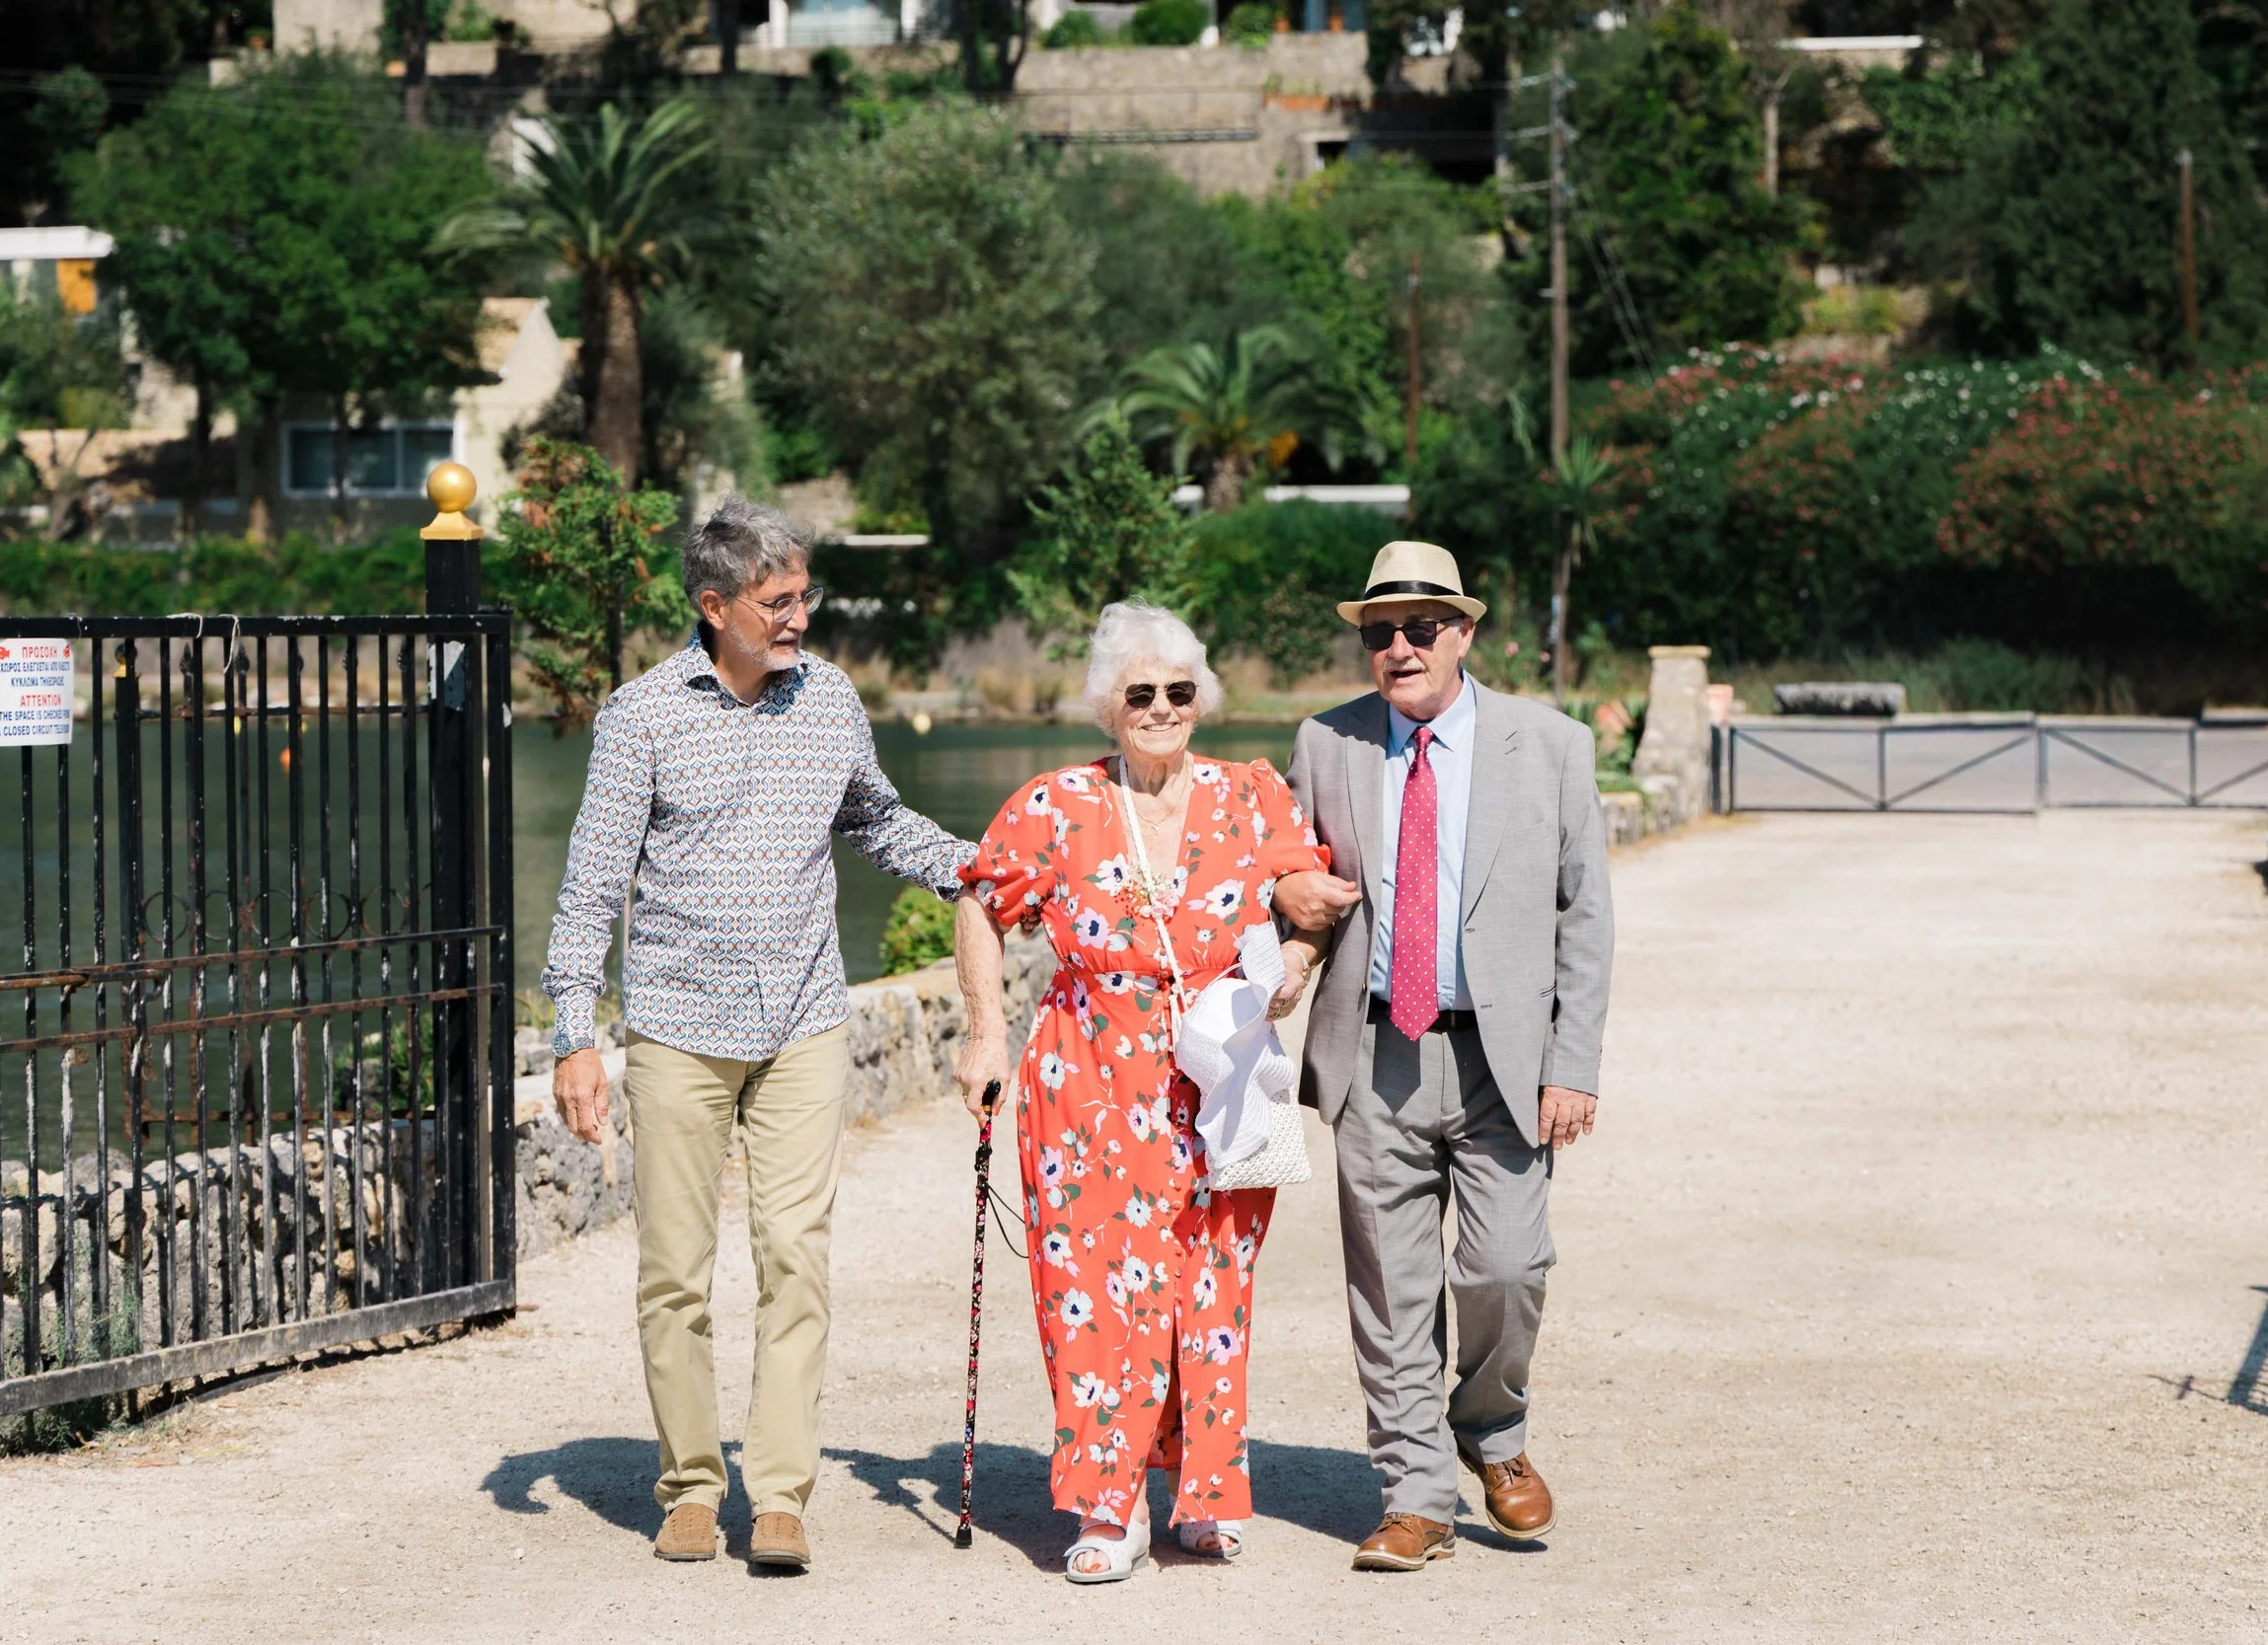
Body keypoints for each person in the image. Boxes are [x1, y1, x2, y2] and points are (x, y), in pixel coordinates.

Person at [542, 495, 973, 1571]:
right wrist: (572, 1033)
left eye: (803, 595)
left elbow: (875, 817)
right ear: (714, 605)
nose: (798, 618)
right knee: (674, 1272)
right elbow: (591, 884)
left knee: (796, 1260)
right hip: (680, 1030)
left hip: (801, 1023)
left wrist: (985, 864)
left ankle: (778, 1492)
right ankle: (692, 1484)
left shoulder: (827, 699)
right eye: (778, 602)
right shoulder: (641, 715)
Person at [952, 602, 1335, 1585]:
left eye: (1178, 689)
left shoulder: (1252, 794)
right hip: (1083, 1078)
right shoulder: (1056, 804)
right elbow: (981, 901)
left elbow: (1307, 890)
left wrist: (1291, 962)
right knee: (1092, 1292)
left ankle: (1202, 1491)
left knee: (1208, 1289)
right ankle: (1106, 1501)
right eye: (1139, 692)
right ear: (1107, 705)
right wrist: (987, 1029)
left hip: (1217, 1079)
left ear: (1200, 695)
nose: (1161, 706)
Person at [1268, 540, 1615, 1574]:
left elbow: (1583, 913)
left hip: (1501, 1058)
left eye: (1421, 626)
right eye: (1380, 632)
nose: (1400, 646)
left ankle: (1490, 1430)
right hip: (1373, 1044)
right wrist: (1285, 903)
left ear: (1466, 630)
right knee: (1390, 1287)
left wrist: (1574, 1061)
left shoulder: (1549, 744)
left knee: (1508, 1265)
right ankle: (1414, 1492)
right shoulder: (1325, 744)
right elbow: (1289, 878)